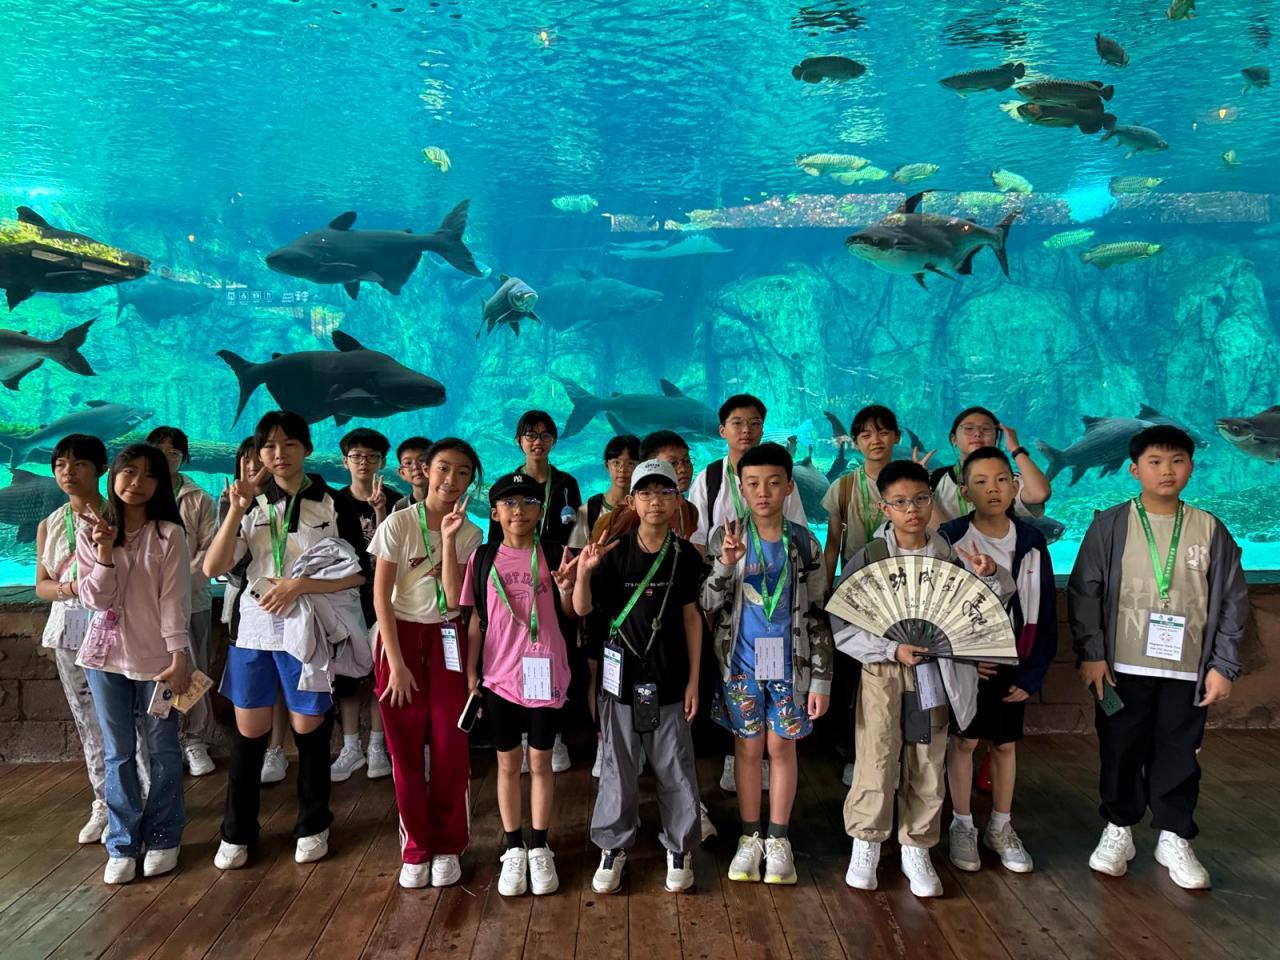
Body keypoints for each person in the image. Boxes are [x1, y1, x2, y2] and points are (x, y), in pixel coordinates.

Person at [1069, 425, 1247, 890]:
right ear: (1134, 470)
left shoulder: (1209, 528)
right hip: (1120, 666)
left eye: (1177, 460)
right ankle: (1118, 829)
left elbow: (1232, 600)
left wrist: (1223, 665)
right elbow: (1085, 591)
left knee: (1179, 750)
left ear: (1191, 466)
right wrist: (1092, 653)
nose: (1167, 470)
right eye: (1155, 461)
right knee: (1119, 746)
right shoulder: (1110, 525)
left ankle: (1174, 835)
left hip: (1187, 668)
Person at [831, 460, 1011, 898]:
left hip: (934, 673)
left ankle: (917, 844)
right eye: (900, 502)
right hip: (882, 671)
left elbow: (984, 609)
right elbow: (844, 623)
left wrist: (991, 575)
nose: (911, 510)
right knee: (876, 753)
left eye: (920, 500)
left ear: (932, 502)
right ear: (884, 508)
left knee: (928, 755)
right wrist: (890, 649)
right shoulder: (870, 557)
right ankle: (867, 841)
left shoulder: (952, 555)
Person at [205, 410, 370, 870]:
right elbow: (213, 567)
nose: (279, 454)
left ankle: (314, 823)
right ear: (258, 454)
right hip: (254, 631)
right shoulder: (245, 503)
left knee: (309, 728)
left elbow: (359, 573)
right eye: (269, 446)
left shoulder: (332, 502)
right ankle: (237, 831)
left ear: (307, 448)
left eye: (289, 444)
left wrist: (300, 586)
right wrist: (237, 508)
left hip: (308, 630)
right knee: (250, 732)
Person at [701, 443, 833, 885]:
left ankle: (779, 838)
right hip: (740, 666)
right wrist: (726, 564)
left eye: (774, 483)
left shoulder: (804, 543)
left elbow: (817, 613)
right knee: (747, 748)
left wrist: (822, 678)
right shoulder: (725, 537)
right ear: (740, 488)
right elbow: (707, 602)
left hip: (791, 668)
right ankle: (749, 836)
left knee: (781, 748)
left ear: (789, 487)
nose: (763, 492)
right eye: (753, 484)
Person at [575, 460, 704, 896]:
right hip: (621, 678)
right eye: (646, 493)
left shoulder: (685, 555)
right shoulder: (613, 552)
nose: (656, 501)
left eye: (665, 492)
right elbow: (582, 609)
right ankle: (612, 846)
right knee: (618, 766)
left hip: (669, 676)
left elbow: (691, 617)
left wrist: (694, 680)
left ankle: (680, 847)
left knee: (676, 766)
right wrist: (584, 573)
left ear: (677, 499)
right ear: (631, 500)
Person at [76, 444, 192, 884]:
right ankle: (122, 842)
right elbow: (94, 599)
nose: (136, 482)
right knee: (118, 752)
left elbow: (174, 599)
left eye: (148, 475)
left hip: (158, 663)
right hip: (104, 660)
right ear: (114, 476)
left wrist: (179, 656)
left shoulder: (169, 534)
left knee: (163, 749)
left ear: (161, 484)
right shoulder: (93, 529)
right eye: (128, 472)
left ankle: (163, 835)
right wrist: (104, 551)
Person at [370, 438, 483, 889]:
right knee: (405, 750)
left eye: (462, 472)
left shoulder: (472, 534)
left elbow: (454, 600)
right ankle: (415, 848)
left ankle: (450, 845)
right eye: (443, 468)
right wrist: (396, 664)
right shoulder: (398, 524)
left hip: (448, 636)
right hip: (398, 637)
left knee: (452, 746)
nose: (451, 480)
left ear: (471, 481)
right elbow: (381, 597)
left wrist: (450, 539)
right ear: (425, 471)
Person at [940, 447, 1058, 875]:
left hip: (1014, 660)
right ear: (965, 491)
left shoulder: (1031, 541)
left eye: (1001, 479)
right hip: (965, 664)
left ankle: (1001, 826)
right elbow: (936, 607)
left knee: (1005, 744)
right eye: (981, 481)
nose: (993, 489)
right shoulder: (950, 537)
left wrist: (1033, 672)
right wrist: (961, 658)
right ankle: (962, 823)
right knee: (964, 742)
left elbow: (1044, 610)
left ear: (1014, 486)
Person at [463, 471, 579, 897]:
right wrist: (471, 672)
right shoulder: (482, 558)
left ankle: (540, 845)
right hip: (500, 679)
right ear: (495, 513)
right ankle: (513, 847)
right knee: (508, 764)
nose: (519, 510)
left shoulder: (555, 553)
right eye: (509, 503)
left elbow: (571, 613)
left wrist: (566, 588)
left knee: (542, 762)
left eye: (528, 502)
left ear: (541, 510)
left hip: (546, 674)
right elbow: (476, 619)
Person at [688, 394, 805, 794]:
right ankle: (732, 754)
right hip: (725, 595)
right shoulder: (709, 478)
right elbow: (699, 541)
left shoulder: (781, 476)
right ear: (723, 430)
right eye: (738, 423)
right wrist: (711, 588)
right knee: (730, 683)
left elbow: (797, 535)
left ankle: (760, 763)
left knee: (770, 704)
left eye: (755, 423)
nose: (746, 430)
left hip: (778, 607)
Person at [35, 435, 130, 845]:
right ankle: (103, 802)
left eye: (79, 464)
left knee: (128, 717)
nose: (68, 472)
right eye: (60, 464)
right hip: (70, 625)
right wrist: (73, 589)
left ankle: (136, 796)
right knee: (87, 718)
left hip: (116, 625)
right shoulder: (50, 524)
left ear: (101, 469)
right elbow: (42, 585)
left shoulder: (120, 516)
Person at [489, 410, 581, 773]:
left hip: (555, 576)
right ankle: (525, 734)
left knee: (557, 649)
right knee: (517, 652)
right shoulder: (508, 485)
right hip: (516, 582)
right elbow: (496, 542)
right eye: (530, 435)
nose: (537, 441)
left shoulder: (566, 483)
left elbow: (576, 534)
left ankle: (552, 735)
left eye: (544, 435)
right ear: (519, 441)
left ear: (553, 441)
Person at [220, 436, 291, 785]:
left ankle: (277, 748)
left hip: (287, 601)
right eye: (245, 460)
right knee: (251, 686)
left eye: (257, 460)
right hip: (244, 603)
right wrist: (237, 509)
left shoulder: (283, 500)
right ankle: (254, 750)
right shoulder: (231, 500)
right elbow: (225, 565)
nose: (252, 467)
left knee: (283, 682)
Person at [147, 426, 217, 778]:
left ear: (184, 458)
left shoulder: (199, 498)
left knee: (193, 668)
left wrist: (178, 586)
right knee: (151, 671)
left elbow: (209, 550)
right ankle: (162, 741)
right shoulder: (138, 494)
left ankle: (195, 739)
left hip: (192, 600)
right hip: (146, 605)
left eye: (173, 453)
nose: (166, 458)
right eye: (159, 452)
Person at [330, 428, 392, 782]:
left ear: (382, 461)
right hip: (346, 598)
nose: (364, 462)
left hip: (385, 599)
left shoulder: (395, 500)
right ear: (345, 461)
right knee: (348, 675)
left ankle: (377, 745)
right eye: (356, 456)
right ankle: (351, 746)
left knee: (382, 673)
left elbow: (392, 552)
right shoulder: (333, 502)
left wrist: (381, 511)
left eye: (371, 456)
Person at [928, 406, 1050, 525]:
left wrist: (1016, 449)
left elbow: (1040, 493)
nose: (978, 434)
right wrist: (920, 482)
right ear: (954, 439)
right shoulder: (935, 479)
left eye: (986, 429)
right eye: (969, 428)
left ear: (996, 439)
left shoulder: (1008, 479)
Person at [822, 404, 900, 586]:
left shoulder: (911, 486)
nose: (876, 440)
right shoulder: (842, 487)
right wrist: (824, 593)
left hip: (899, 579)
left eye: (883, 433)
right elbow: (832, 546)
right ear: (855, 443)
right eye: (866, 436)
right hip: (853, 580)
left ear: (896, 436)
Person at [569, 434, 640, 548]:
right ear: (607, 466)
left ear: (640, 467)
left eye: (630, 463)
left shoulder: (644, 508)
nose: (622, 470)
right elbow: (577, 551)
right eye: (616, 463)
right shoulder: (589, 510)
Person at [389, 436, 433, 514]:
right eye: (408, 463)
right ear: (402, 473)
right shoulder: (400, 507)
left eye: (422, 460)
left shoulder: (450, 503)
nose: (415, 467)